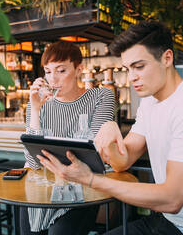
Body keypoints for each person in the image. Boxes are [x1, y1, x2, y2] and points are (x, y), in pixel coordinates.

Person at [37, 21, 183, 235]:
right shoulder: (150, 103)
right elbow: (123, 161)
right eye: (128, 69)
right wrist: (110, 130)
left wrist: (90, 179)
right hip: (166, 220)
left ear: (167, 58)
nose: (132, 76)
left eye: (139, 66)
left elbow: (173, 198)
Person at [21, 40, 115, 235]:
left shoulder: (100, 97)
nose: (53, 79)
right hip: (43, 189)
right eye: (47, 71)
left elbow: (96, 152)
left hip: (82, 188)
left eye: (61, 71)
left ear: (79, 69)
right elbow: (33, 163)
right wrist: (36, 110)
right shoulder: (38, 104)